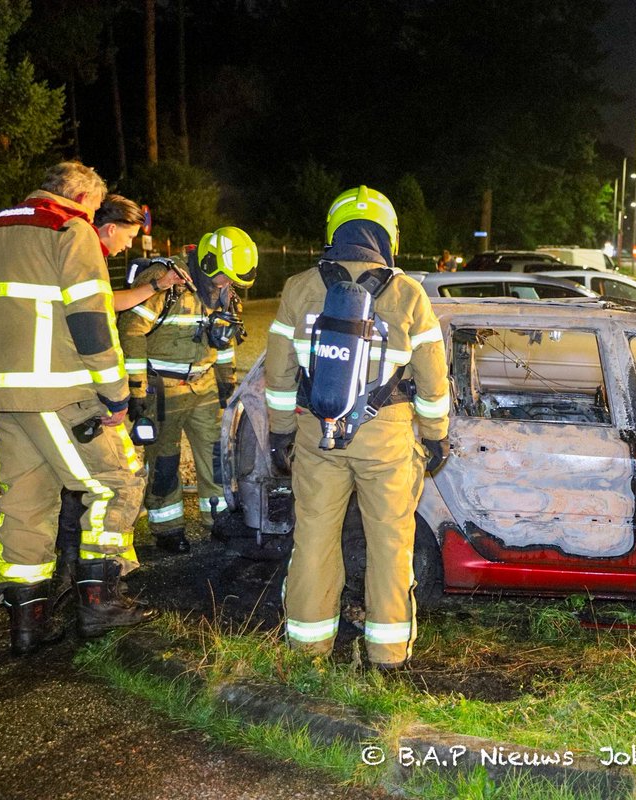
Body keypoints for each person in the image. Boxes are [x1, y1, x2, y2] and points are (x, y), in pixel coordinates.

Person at [0, 161, 156, 655]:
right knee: (117, 481)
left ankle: (27, 626)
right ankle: (99, 603)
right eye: (94, 208)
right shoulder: (69, 229)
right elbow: (91, 318)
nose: (94, 218)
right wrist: (116, 392)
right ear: (81, 196)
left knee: (25, 503)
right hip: (58, 392)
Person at [265, 186, 449, 669]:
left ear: (334, 230)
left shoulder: (300, 287)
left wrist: (280, 432)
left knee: (314, 539)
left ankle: (307, 649)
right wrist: (435, 435)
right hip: (387, 439)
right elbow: (433, 378)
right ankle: (388, 654)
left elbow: (279, 373)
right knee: (390, 543)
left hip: (317, 434)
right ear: (388, 235)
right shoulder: (408, 294)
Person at [49, 194, 187, 600]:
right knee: (119, 479)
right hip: (78, 388)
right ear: (110, 228)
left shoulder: (65, 250)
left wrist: (157, 285)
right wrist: (117, 398)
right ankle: (99, 587)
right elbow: (96, 327)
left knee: (66, 482)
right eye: (127, 235)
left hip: (55, 389)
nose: (129, 244)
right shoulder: (82, 251)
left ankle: (67, 573)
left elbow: (111, 301)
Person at [118, 226, 258, 553]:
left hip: (204, 384)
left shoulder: (222, 290)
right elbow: (132, 331)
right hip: (161, 388)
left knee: (216, 457)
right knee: (164, 460)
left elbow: (224, 338)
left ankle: (219, 522)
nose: (227, 284)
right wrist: (136, 388)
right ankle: (167, 528)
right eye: (225, 277)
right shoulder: (165, 279)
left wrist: (226, 382)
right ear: (208, 262)